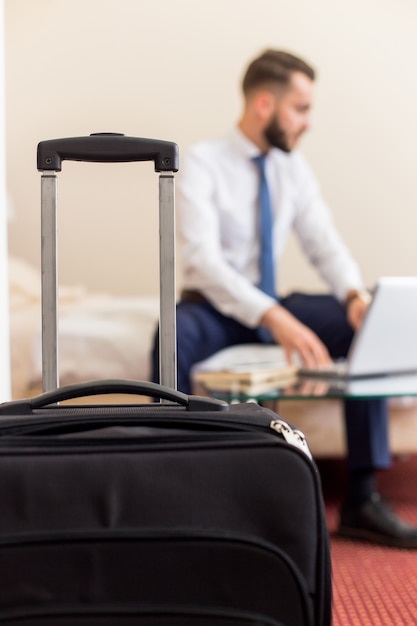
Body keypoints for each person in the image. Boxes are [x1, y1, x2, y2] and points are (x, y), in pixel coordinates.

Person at [151, 49, 417, 548]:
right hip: (217, 306)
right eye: (301, 108)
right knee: (171, 333)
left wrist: (355, 297)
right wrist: (273, 317)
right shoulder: (203, 163)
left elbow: (324, 242)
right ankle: (161, 492)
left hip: (272, 301)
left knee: (367, 324)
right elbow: (201, 262)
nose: (308, 123)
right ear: (265, 105)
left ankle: (362, 499)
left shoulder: (292, 169)